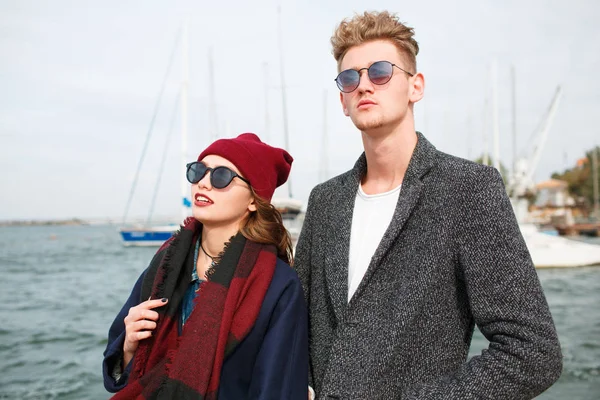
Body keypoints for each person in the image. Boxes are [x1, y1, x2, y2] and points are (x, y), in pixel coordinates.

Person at [295, 11, 562, 400]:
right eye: (350, 78)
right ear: (342, 100)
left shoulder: (468, 189)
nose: (364, 85)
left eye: (381, 71)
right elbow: (299, 326)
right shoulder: (325, 201)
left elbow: (532, 352)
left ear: (415, 86)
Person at [103, 133, 309, 399]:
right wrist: (129, 345)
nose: (203, 183)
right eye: (198, 171)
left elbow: (278, 389)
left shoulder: (278, 286)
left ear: (253, 200)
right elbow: (123, 371)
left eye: (221, 176)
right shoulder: (166, 263)